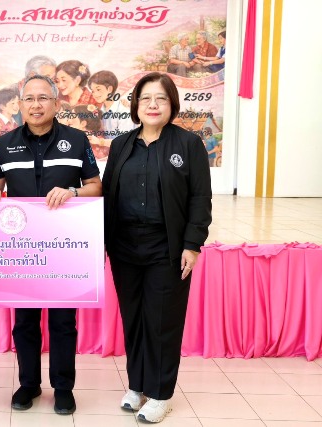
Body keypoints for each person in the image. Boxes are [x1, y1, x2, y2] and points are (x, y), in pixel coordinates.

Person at [0, 74, 102, 415]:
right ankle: (29, 384)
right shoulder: (5, 143)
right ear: (20, 105)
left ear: (56, 104)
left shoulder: (76, 140)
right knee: (25, 322)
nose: (36, 105)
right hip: (22, 250)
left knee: (63, 322)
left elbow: (96, 186)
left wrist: (73, 191)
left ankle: (63, 388)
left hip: (65, 249)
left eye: (43, 98)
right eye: (29, 99)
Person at [102, 72, 212, 423]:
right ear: (135, 104)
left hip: (167, 248)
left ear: (171, 104)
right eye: (146, 98)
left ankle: (161, 393)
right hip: (124, 247)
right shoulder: (121, 145)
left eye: (161, 98)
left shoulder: (189, 144)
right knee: (134, 319)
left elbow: (200, 198)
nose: (153, 105)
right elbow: (107, 194)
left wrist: (192, 244)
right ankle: (138, 386)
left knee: (162, 321)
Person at [88, 70, 134, 138]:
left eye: (98, 89)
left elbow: (124, 141)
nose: (95, 94)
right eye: (93, 91)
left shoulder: (123, 111)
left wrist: (101, 142)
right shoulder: (100, 111)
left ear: (109, 89)